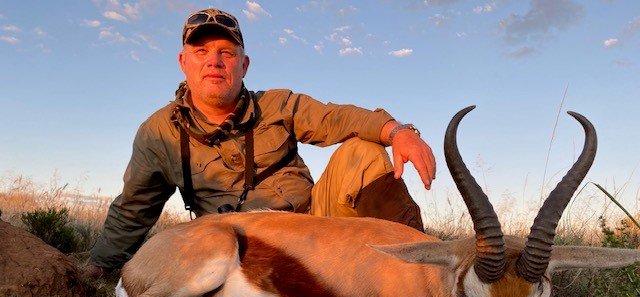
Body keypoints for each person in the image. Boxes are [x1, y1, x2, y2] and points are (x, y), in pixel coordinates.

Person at [85, 8, 436, 278]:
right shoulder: (157, 132)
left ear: (244, 64)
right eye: (201, 50)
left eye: (226, 51)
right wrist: (99, 268)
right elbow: (133, 209)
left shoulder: (277, 105)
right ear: (183, 62)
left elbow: (335, 118)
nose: (214, 61)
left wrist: (398, 131)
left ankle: (423, 270)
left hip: (315, 229)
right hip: (237, 252)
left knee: (362, 151)